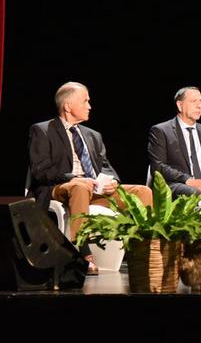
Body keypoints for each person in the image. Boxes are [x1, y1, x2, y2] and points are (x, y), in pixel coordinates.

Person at [27, 82, 153, 275]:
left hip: (94, 189)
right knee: (80, 188)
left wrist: (113, 182)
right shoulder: (43, 130)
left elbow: (105, 166)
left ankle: (148, 250)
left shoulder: (93, 135)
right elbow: (39, 170)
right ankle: (83, 253)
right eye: (85, 101)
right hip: (59, 187)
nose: (90, 106)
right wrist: (73, 178)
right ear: (68, 106)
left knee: (142, 192)